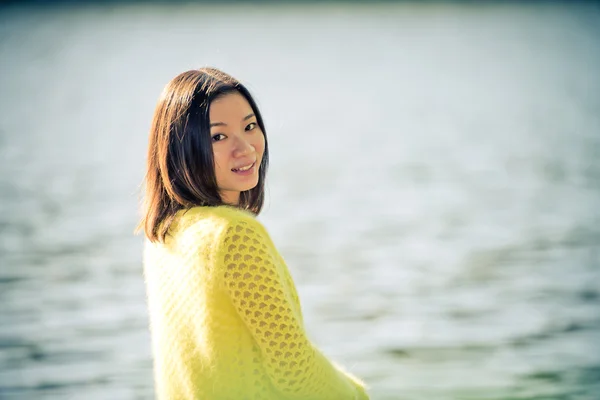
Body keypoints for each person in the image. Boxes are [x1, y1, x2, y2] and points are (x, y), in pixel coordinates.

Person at [139, 67, 369, 400]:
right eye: (218, 136)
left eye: (250, 127)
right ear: (184, 148)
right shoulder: (233, 237)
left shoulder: (163, 236)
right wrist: (357, 394)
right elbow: (296, 371)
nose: (245, 148)